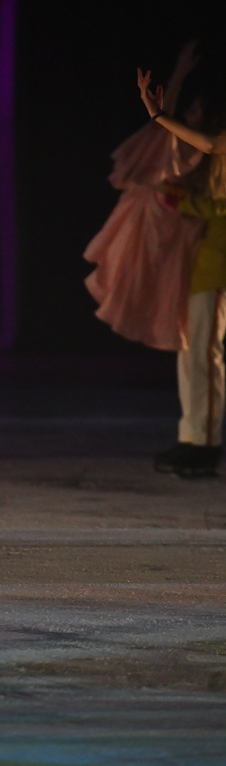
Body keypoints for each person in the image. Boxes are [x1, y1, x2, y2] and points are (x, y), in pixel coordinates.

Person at [84, 41, 205, 351]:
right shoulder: (179, 139)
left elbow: (169, 127)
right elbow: (165, 122)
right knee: (133, 274)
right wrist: (177, 76)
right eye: (191, 109)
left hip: (176, 220)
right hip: (156, 213)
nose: (190, 114)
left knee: (167, 287)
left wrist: (177, 79)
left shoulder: (199, 147)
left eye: (196, 110)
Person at [137, 65, 226, 477]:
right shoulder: (212, 157)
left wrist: (159, 114)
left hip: (218, 268)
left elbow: (217, 207)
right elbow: (197, 144)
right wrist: (159, 111)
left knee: (205, 355)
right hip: (202, 263)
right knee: (192, 355)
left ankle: (205, 443)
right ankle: (192, 436)